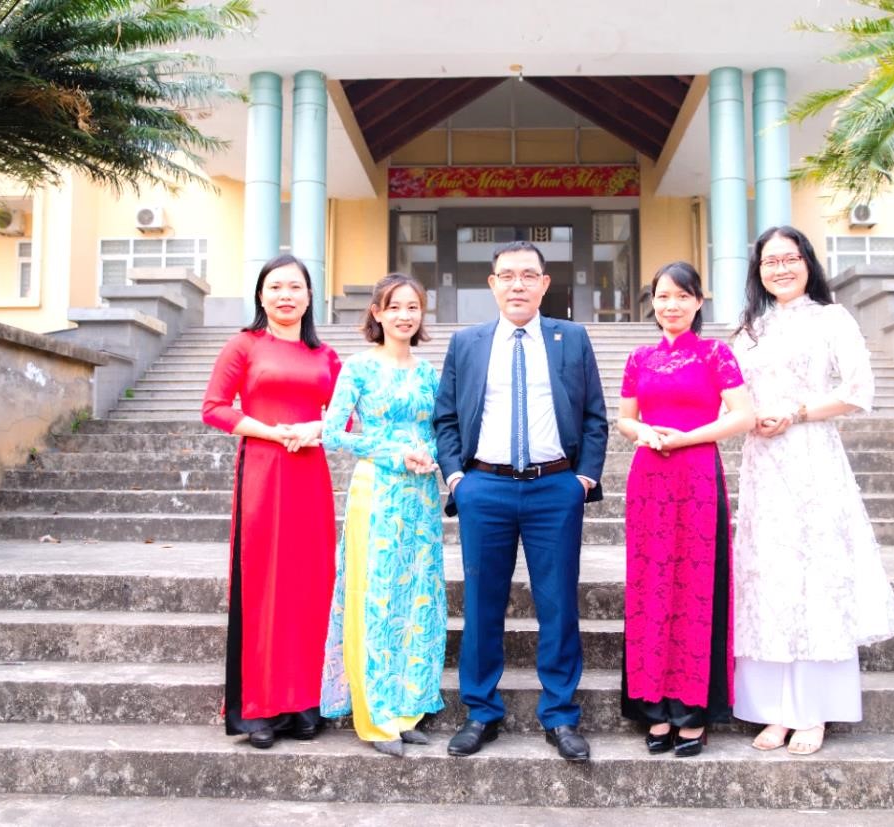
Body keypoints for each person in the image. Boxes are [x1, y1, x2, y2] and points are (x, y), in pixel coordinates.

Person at [731, 226, 894, 756]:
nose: (780, 269)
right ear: (758, 272)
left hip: (812, 458)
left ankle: (812, 711)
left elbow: (857, 391)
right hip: (763, 464)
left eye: (790, 258)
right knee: (768, 578)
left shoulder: (833, 319)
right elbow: (733, 397)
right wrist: (747, 418)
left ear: (807, 263)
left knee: (815, 577)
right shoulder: (750, 329)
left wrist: (797, 411)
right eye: (770, 262)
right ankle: (774, 710)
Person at [434, 240, 608, 762]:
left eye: (528, 275)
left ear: (544, 284)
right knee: (481, 604)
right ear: (492, 284)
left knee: (558, 604)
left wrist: (582, 479)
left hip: (554, 489)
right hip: (484, 488)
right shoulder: (466, 342)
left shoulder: (571, 338)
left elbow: (594, 416)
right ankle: (481, 711)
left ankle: (560, 715)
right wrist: (457, 479)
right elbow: (446, 417)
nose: (518, 284)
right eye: (507, 275)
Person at [615, 262, 755, 757]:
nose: (671, 305)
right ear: (652, 303)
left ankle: (693, 712)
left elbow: (744, 415)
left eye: (681, 296)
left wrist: (685, 438)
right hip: (649, 479)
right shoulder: (640, 357)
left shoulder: (716, 353)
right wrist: (645, 432)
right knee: (650, 586)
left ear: (698, 302)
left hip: (697, 476)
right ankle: (654, 708)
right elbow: (625, 420)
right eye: (662, 296)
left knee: (695, 586)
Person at [202, 254, 340, 749]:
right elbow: (214, 408)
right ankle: (258, 708)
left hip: (310, 475)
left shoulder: (325, 356)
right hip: (262, 471)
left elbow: (345, 417)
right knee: (263, 584)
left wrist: (314, 428)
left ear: (309, 296)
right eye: (275, 287)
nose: (285, 295)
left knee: (310, 584)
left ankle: (304, 703)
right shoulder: (244, 345)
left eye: (295, 287)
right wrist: (274, 432)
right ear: (261, 295)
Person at [320, 273, 447, 757]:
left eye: (412, 307)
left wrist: (431, 454)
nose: (404, 315)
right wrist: (396, 452)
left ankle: (407, 709)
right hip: (377, 491)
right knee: (375, 597)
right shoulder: (358, 368)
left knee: (417, 598)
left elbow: (441, 430)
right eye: (394, 307)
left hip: (421, 497)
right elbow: (334, 433)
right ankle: (375, 717)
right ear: (376, 312)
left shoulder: (429, 372)